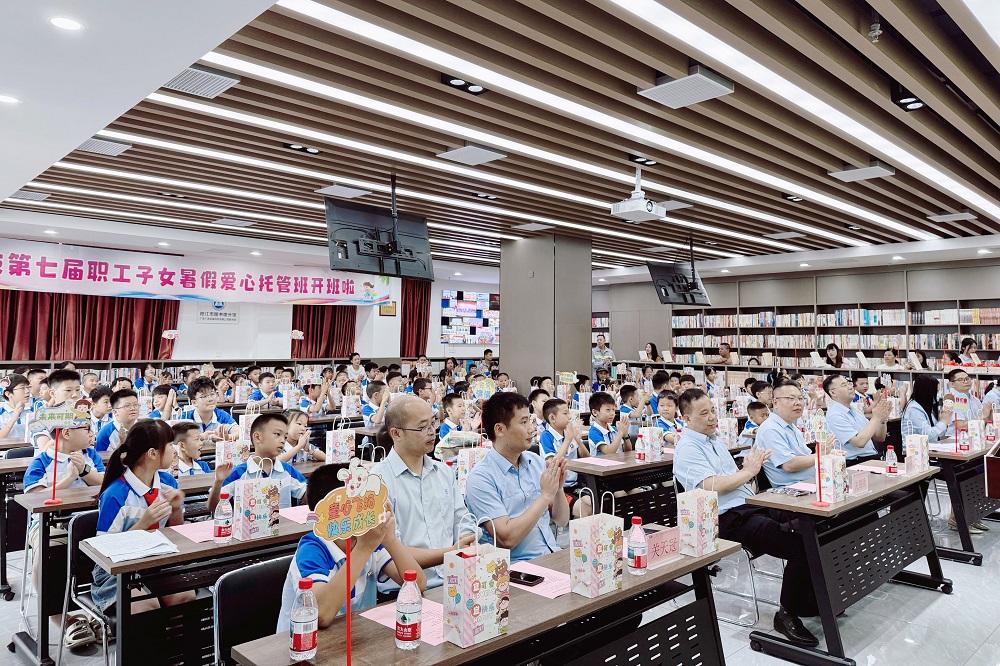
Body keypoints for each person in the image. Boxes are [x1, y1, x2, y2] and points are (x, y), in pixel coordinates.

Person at [673, 389, 819, 647]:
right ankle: (786, 613)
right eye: (704, 413)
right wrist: (749, 471)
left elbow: (736, 478)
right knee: (799, 545)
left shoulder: (714, 440)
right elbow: (712, 486)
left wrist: (747, 473)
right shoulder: (687, 448)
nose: (712, 417)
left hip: (749, 506)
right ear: (686, 418)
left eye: (713, 411)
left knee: (810, 526)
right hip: (724, 519)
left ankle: (808, 599)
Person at [276, 464, 425, 631]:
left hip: (355, 635)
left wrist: (390, 540)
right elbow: (321, 614)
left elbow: (418, 584)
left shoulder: (368, 541)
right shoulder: (312, 550)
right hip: (303, 641)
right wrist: (364, 548)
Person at [372, 396, 474, 594]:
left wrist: (467, 539)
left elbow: (462, 519)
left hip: (456, 581)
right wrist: (452, 552)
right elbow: (391, 550)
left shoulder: (443, 472)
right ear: (396, 433)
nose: (431, 431)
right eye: (422, 427)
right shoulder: (378, 482)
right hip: (403, 592)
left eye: (433, 423)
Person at [91, 420, 194, 614]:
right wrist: (144, 523)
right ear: (152, 453)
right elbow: (103, 550)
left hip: (156, 562)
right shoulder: (116, 494)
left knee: (185, 597)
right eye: (170, 445)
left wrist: (176, 509)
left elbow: (175, 531)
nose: (174, 451)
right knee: (147, 606)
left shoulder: (168, 482)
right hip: (117, 572)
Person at [464, 392, 569, 562]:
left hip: (551, 554)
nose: (531, 429)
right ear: (499, 429)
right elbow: (506, 539)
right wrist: (545, 495)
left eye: (530, 421)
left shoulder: (535, 462)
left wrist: (558, 489)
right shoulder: (481, 479)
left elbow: (561, 520)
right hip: (516, 567)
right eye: (523, 422)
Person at [217, 413, 307, 511]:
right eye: (277, 434)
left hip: (282, 521)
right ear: (257, 437)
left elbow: (308, 496)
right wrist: (218, 481)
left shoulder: (287, 470)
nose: (283, 441)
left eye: (285, 437)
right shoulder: (239, 472)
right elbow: (214, 506)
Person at [755, 381, 832, 488]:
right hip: (794, 489)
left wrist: (828, 454)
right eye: (791, 398)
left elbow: (806, 456)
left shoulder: (791, 426)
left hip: (812, 482)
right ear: (775, 402)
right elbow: (789, 464)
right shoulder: (770, 429)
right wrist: (820, 454)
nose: (798, 403)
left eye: (800, 398)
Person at [539, 398, 592, 517]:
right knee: (586, 511)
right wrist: (568, 440)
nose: (569, 417)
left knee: (597, 503)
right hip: (558, 490)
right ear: (552, 418)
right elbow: (552, 464)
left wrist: (578, 440)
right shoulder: (546, 436)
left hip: (575, 485)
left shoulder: (568, 433)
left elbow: (587, 458)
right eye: (565, 413)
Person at [823, 374, 890, 463]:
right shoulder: (834, 415)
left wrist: (882, 421)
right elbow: (859, 442)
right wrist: (876, 418)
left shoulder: (855, 410)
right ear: (833, 393)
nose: (850, 387)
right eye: (844, 385)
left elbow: (879, 438)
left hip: (870, 458)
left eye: (849, 383)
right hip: (855, 462)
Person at [0, 374, 32, 439]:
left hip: (29, 445)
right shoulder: (1, 413)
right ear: (8, 394)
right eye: (22, 388)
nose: (27, 391)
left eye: (28, 387)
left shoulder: (32, 410)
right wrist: (14, 418)